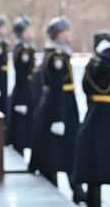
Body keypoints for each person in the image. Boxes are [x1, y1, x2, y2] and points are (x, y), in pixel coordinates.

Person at [72, 31, 110, 207]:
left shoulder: (96, 64)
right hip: (98, 125)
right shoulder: (98, 64)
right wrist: (106, 53)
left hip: (102, 125)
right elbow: (104, 68)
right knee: (95, 173)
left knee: (97, 174)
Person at [27, 15, 80, 197]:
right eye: (67, 30)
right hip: (59, 107)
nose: (70, 33)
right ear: (59, 34)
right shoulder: (57, 56)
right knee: (60, 149)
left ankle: (73, 187)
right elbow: (57, 88)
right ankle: (70, 188)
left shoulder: (59, 53)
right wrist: (58, 117)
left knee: (58, 148)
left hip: (61, 105)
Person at [6, 16, 36, 154]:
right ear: (23, 31)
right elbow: (22, 76)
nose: (32, 31)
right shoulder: (23, 49)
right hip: (23, 92)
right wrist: (22, 100)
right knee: (21, 129)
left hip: (24, 91)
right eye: (29, 28)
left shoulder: (25, 47)